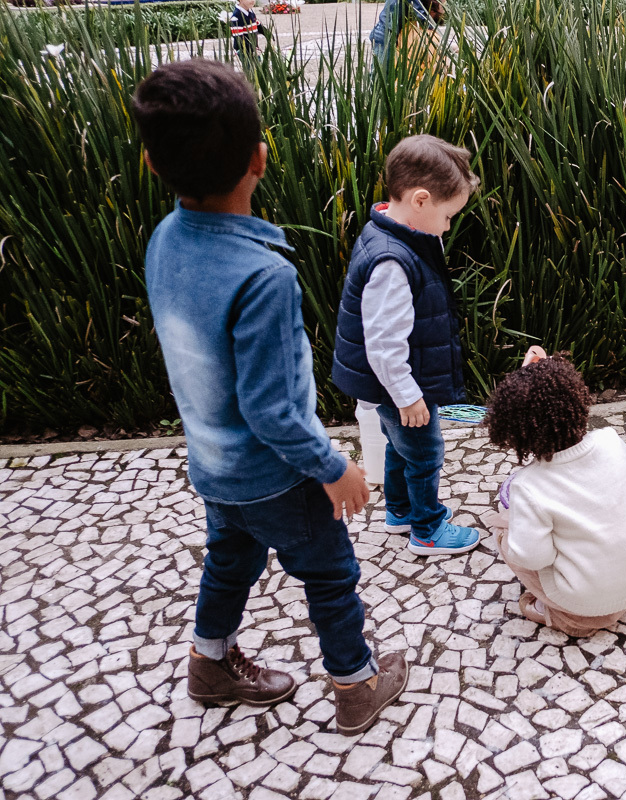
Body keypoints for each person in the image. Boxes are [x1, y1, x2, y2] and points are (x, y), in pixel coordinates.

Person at [133, 59, 407, 736]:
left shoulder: (165, 240)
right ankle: (355, 683)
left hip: (212, 466)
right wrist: (333, 467)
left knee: (230, 561)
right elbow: (274, 411)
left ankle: (210, 662)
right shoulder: (263, 276)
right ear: (260, 158)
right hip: (275, 476)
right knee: (330, 572)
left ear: (151, 163)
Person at [332, 134, 483, 556]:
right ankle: (427, 529)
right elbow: (383, 343)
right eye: (449, 215)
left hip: (394, 383)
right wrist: (408, 396)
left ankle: (399, 509)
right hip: (399, 383)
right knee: (424, 451)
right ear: (420, 201)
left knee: (401, 446)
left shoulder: (392, 231)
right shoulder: (393, 262)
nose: (449, 226)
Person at [482, 351, 626, 637]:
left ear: (515, 433)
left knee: (504, 532)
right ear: (579, 402)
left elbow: (532, 557)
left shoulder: (528, 487)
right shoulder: (609, 440)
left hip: (585, 601)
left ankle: (566, 617)